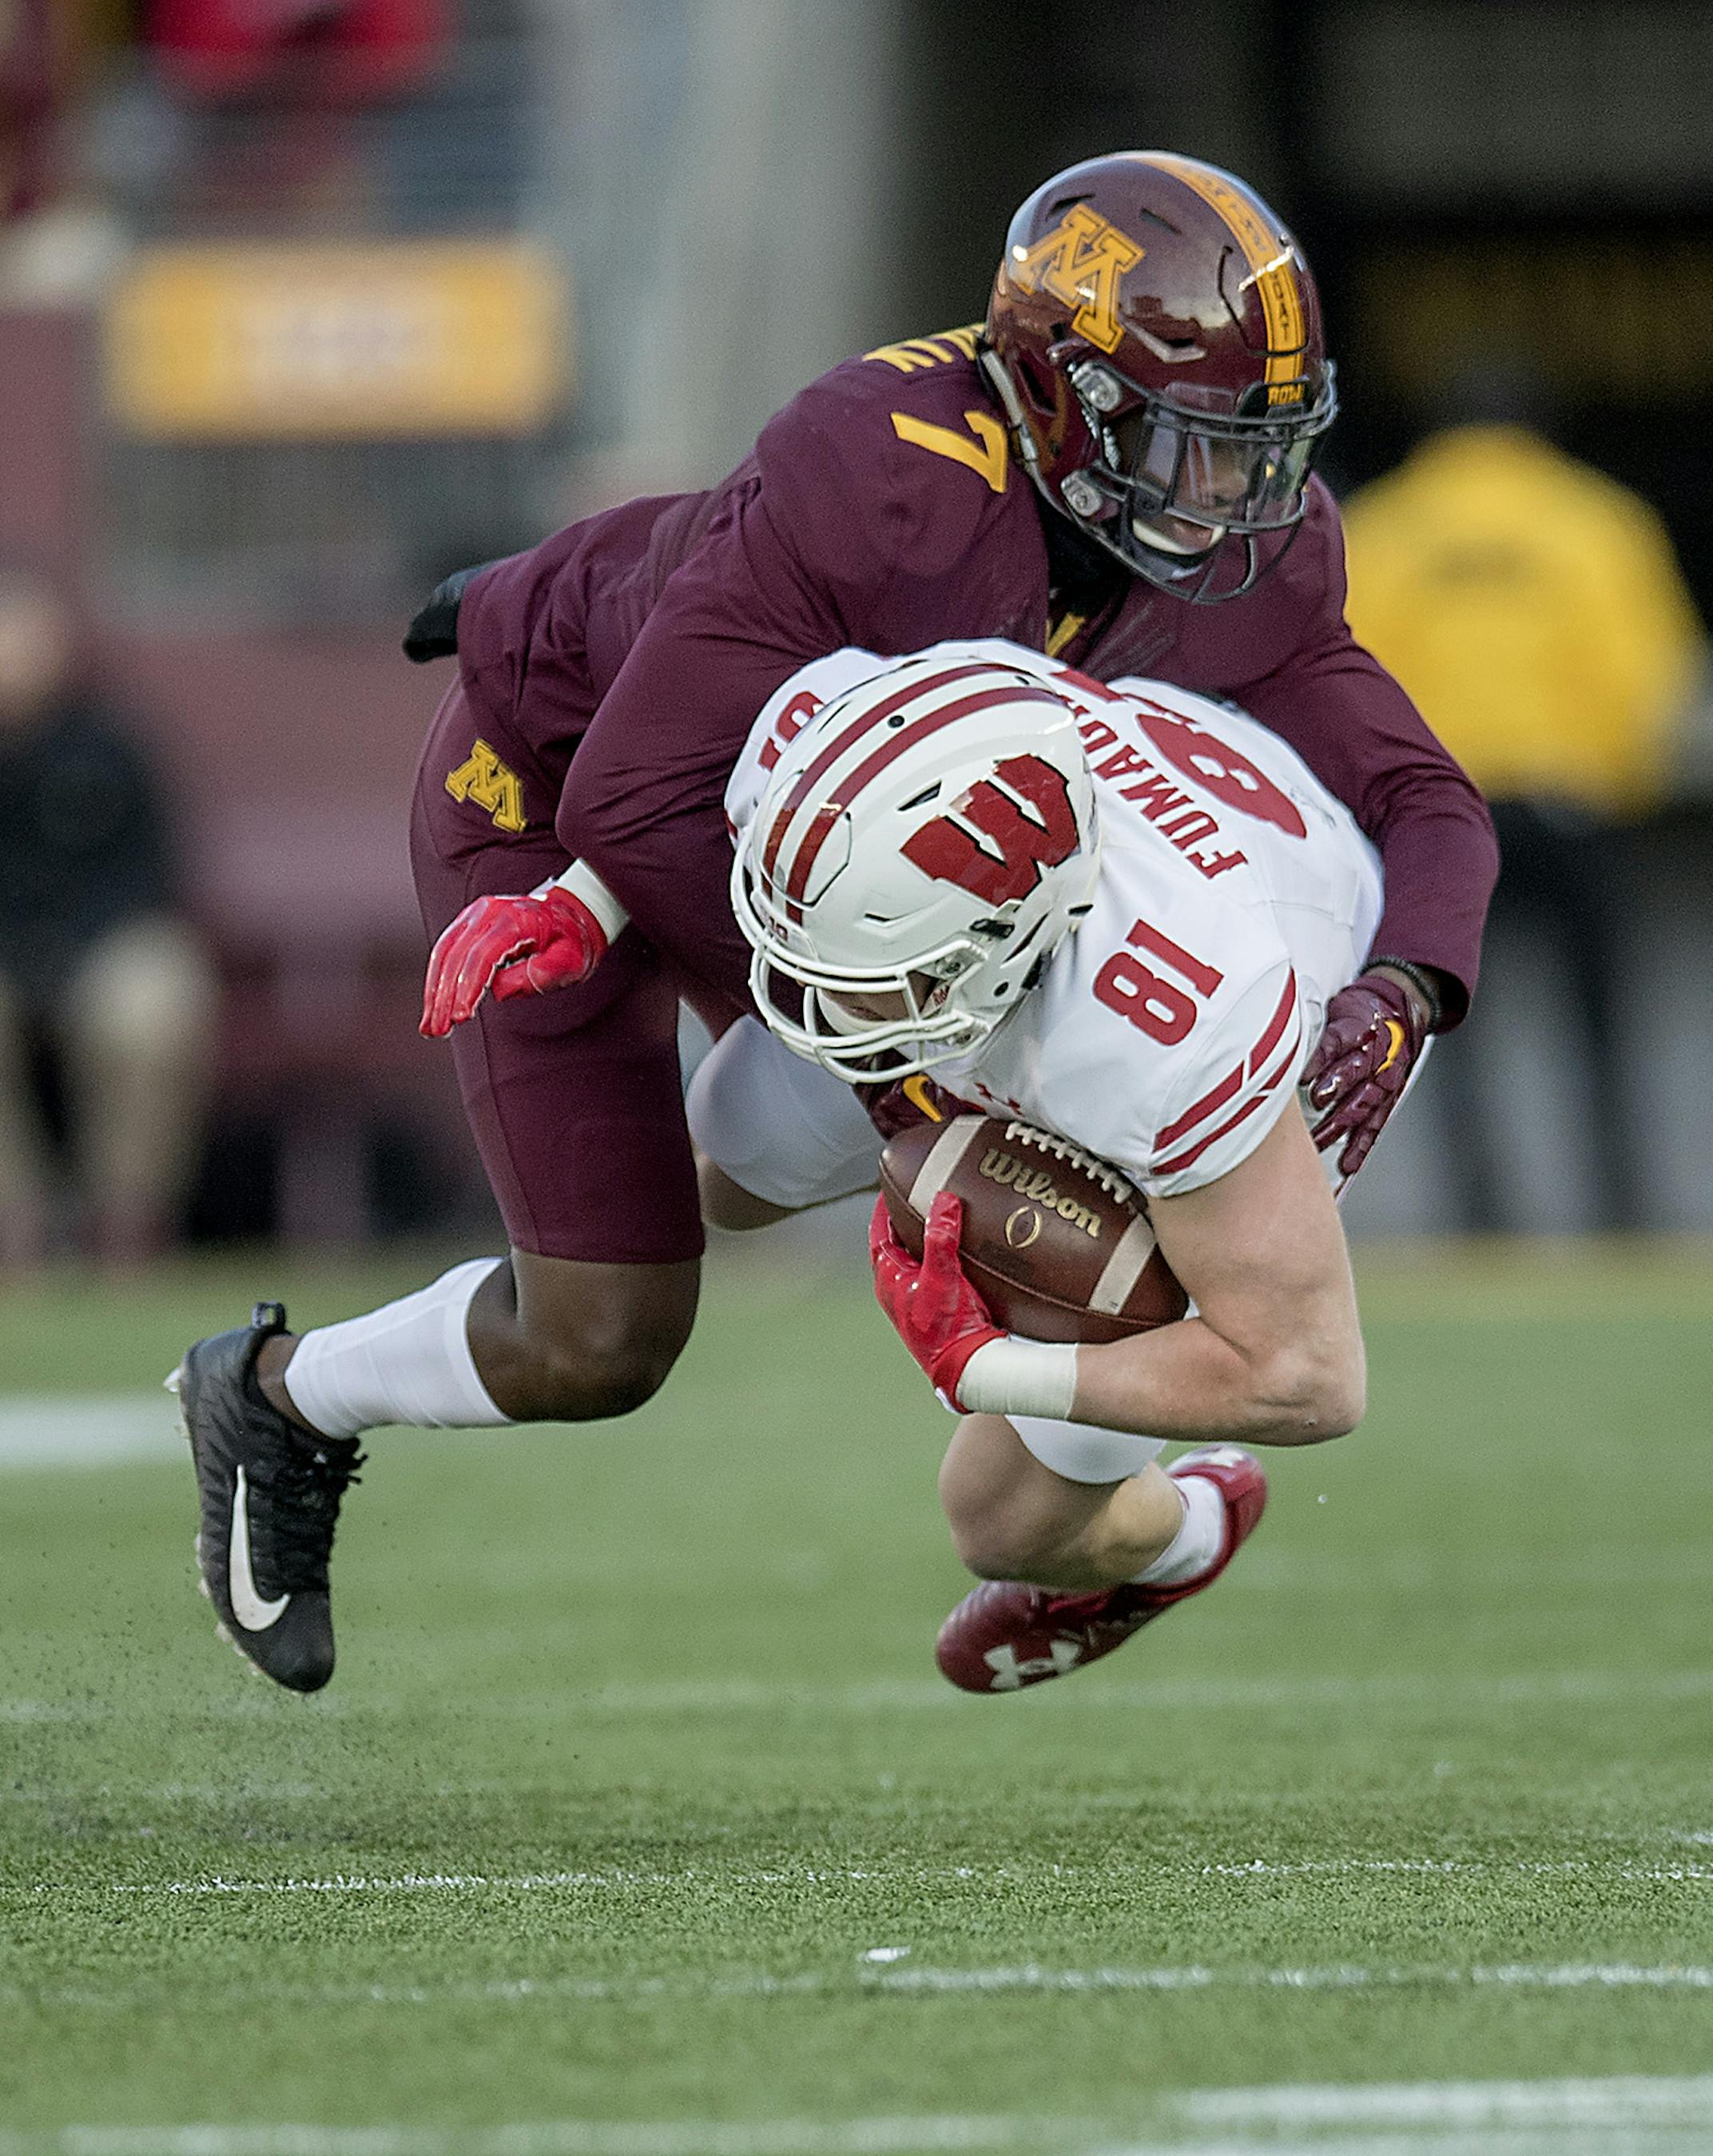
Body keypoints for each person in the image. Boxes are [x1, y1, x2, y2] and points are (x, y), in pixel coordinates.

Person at [170, 151, 1494, 1694]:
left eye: (1257, 449)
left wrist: (1406, 990)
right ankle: (277, 1393)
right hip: (570, 803)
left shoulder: (1240, 555)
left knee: (813, 1180)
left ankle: (1128, 1529)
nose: (1235, 496)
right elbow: (635, 797)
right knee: (603, 1335)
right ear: (1062, 400)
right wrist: (909, 1091)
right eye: (1189, 445)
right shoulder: (889, 472)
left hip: (832, 841)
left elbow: (1422, 795)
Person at [687, 639, 1408, 1692]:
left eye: (871, 979)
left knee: (1001, 1518)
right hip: (1080, 899)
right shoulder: (824, 727)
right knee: (717, 1175)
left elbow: (1308, 1379)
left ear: (991, 947)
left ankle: (1191, 1533)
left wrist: (982, 1370)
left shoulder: (1180, 1031)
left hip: (1260, 984)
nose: (819, 1004)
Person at [1341, 416, 1705, 1230]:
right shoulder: (1596, 520)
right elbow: (1648, 673)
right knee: (1600, 1022)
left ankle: (1482, 1214)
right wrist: (1621, 781)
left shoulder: (1386, 527)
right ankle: (1620, 1206)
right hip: (1569, 807)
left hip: (1443, 816)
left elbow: (1351, 674)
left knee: (1451, 1029)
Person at [0, 567, 218, 1267]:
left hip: (105, 943)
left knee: (154, 1005)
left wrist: (67, 952)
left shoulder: (112, 746)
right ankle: (13, 1226)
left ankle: (126, 1226)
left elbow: (153, 877)